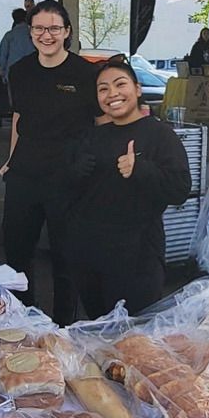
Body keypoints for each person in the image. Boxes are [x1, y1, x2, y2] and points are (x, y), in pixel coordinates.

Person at [66, 57, 191, 318]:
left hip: (136, 259)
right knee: (99, 332)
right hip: (89, 255)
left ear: (137, 89)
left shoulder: (159, 135)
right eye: (103, 88)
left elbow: (180, 189)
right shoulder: (93, 136)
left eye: (120, 84)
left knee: (134, 340)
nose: (112, 93)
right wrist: (74, 172)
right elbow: (73, 192)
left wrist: (141, 169)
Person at [0, 0, 100, 325]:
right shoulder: (20, 71)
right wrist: (10, 160)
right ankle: (24, 320)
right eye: (40, 28)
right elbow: (19, 117)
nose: (47, 34)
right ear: (30, 33)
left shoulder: (85, 74)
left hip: (68, 178)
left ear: (66, 32)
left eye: (54, 28)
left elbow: (101, 123)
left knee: (66, 258)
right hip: (24, 175)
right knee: (16, 254)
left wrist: (95, 165)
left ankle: (63, 327)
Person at [0, 8, 33, 85]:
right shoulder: (33, 34)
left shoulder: (9, 35)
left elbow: (3, 55)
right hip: (31, 71)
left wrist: (3, 73)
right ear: (26, 18)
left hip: (12, 72)